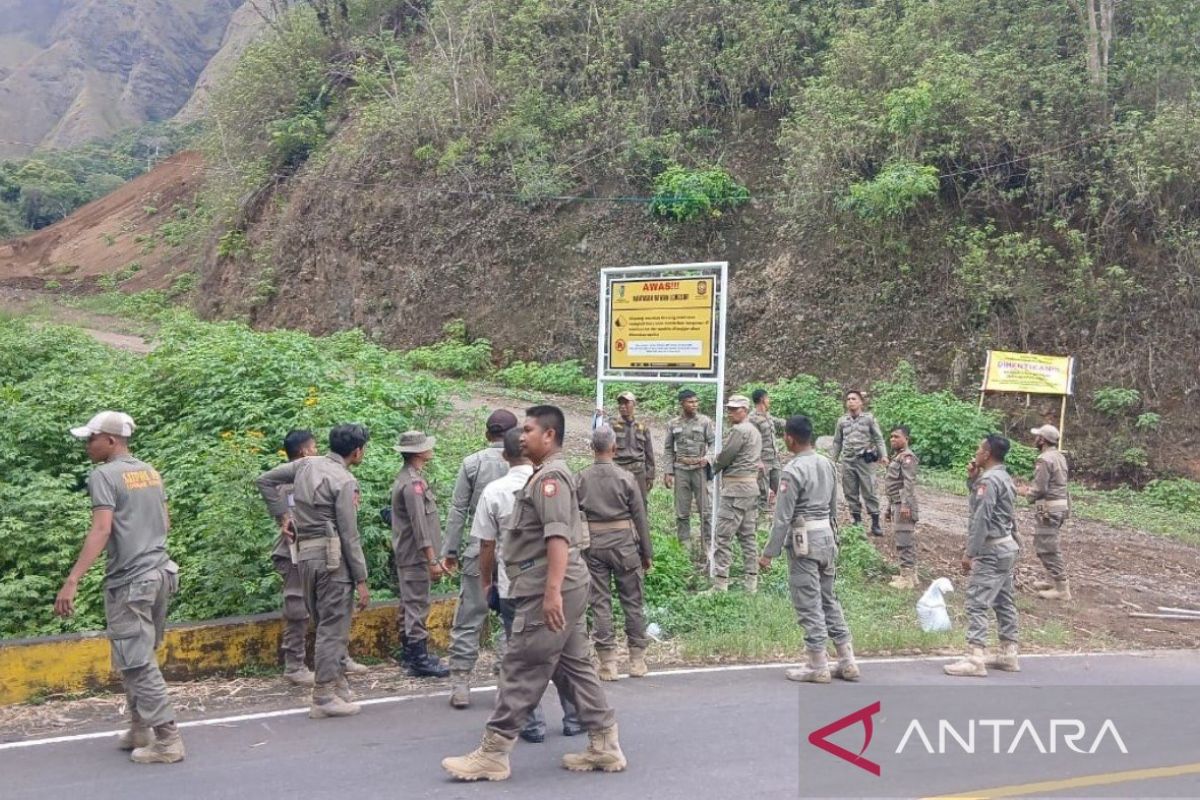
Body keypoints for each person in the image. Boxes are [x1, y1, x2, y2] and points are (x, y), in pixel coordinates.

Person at [442, 406, 625, 782]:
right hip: (560, 583)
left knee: (521, 665)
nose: (521, 436)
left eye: (528, 430)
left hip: (549, 584)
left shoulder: (550, 479)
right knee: (575, 665)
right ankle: (605, 744)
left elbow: (557, 536)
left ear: (549, 436)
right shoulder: (546, 475)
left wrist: (552, 593)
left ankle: (493, 752)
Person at [55, 411, 184, 763]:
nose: (87, 446)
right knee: (136, 658)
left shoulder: (104, 475)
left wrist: (72, 580)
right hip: (160, 573)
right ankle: (139, 728)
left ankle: (168, 740)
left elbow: (101, 530)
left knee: (137, 661)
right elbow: (166, 521)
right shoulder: (150, 472)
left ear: (111, 440)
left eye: (91, 439)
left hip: (131, 580)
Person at [473, 427, 581, 742]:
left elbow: (486, 546)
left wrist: (486, 583)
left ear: (504, 455)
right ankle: (575, 716)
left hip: (513, 586)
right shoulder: (555, 482)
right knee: (560, 651)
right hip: (554, 583)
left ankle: (531, 724)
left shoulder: (494, 492)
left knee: (519, 658)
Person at [257, 424, 371, 718]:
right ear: (357, 451)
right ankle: (323, 697)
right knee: (332, 629)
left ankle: (338, 685)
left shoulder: (305, 465)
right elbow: (349, 534)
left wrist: (284, 515)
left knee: (324, 626)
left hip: (305, 557)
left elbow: (264, 480)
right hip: (332, 560)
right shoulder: (344, 480)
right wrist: (361, 578)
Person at [759, 415, 859, 684]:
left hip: (804, 542)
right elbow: (833, 508)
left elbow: (782, 518)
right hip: (827, 537)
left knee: (808, 602)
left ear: (789, 438)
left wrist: (769, 553)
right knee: (829, 599)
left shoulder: (791, 471)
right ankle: (847, 660)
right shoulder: (827, 464)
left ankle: (817, 663)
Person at [442, 409, 519, 707]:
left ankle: (460, 682)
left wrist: (449, 550)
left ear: (487, 434)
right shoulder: (523, 465)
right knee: (511, 620)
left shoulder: (471, 463)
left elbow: (458, 510)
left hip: (478, 549)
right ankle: (503, 680)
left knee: (470, 616)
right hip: (515, 554)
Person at [577, 425, 653, 681]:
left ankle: (608, 663)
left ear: (592, 448)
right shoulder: (626, 477)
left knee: (600, 602)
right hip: (625, 546)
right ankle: (637, 661)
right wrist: (646, 552)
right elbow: (640, 517)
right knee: (632, 601)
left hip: (594, 546)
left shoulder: (581, 478)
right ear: (614, 448)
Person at [944, 434, 1021, 678]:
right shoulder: (1004, 477)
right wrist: (973, 480)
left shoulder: (989, 481)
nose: (976, 452)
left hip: (992, 549)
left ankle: (975, 656)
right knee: (1003, 599)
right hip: (1007, 546)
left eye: (979, 449)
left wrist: (970, 553)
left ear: (987, 454)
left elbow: (982, 517)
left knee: (977, 601)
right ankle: (1009, 652)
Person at [390, 430, 450, 678]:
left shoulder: (409, 478)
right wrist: (431, 558)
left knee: (409, 603)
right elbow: (419, 526)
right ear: (418, 453)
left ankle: (410, 654)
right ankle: (419, 660)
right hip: (415, 555)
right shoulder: (413, 484)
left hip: (411, 554)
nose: (430, 448)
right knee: (417, 606)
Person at [711, 395, 763, 593]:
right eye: (729, 409)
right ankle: (751, 583)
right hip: (750, 489)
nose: (730, 412)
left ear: (745, 410)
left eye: (735, 409)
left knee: (723, 536)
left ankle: (720, 583)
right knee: (748, 537)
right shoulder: (755, 431)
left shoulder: (739, 430)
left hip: (735, 490)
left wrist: (713, 466)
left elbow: (726, 456)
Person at [663, 389, 714, 557]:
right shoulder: (673, 424)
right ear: (682, 403)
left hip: (699, 469)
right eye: (691, 402)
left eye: (696, 402)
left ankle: (707, 547)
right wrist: (668, 472)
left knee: (705, 511)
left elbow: (714, 443)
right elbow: (668, 449)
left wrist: (708, 457)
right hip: (681, 470)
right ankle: (684, 548)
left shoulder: (705, 421)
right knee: (682, 511)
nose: (695, 405)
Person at [1023, 424, 1071, 601]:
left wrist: (1026, 493)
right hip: (1058, 506)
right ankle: (1052, 580)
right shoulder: (1059, 456)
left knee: (1047, 547)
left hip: (1048, 507)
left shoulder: (1044, 459)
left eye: (1037, 436)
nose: (1035, 439)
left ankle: (1062, 588)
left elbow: (1040, 488)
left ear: (1042, 440)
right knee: (1046, 542)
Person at [830, 390, 889, 536]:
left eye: (854, 399)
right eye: (848, 399)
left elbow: (878, 438)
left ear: (861, 402)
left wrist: (884, 455)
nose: (850, 401)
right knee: (850, 491)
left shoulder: (869, 419)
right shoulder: (842, 421)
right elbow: (837, 442)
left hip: (865, 460)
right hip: (848, 460)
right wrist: (832, 460)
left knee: (869, 490)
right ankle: (857, 521)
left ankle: (875, 523)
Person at [884, 425, 920, 590]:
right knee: (903, 537)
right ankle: (909, 575)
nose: (893, 439)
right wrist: (888, 508)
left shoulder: (907, 457)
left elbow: (908, 483)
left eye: (897, 436)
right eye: (891, 436)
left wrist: (905, 505)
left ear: (906, 439)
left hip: (903, 504)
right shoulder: (897, 457)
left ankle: (907, 578)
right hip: (896, 502)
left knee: (904, 539)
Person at [610, 391, 655, 509]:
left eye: (626, 403)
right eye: (620, 403)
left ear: (634, 404)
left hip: (638, 471)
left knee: (640, 504)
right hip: (618, 470)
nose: (622, 406)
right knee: (617, 503)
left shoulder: (642, 427)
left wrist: (650, 474)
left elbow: (649, 452)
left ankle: (641, 527)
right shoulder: (612, 425)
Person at [750, 388, 782, 524]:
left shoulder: (767, 416)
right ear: (762, 399)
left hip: (774, 460)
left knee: (782, 489)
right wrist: (757, 460)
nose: (769, 401)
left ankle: (780, 520)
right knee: (762, 493)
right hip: (762, 461)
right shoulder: (752, 419)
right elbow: (752, 442)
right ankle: (760, 523)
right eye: (768, 398)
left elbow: (780, 422)